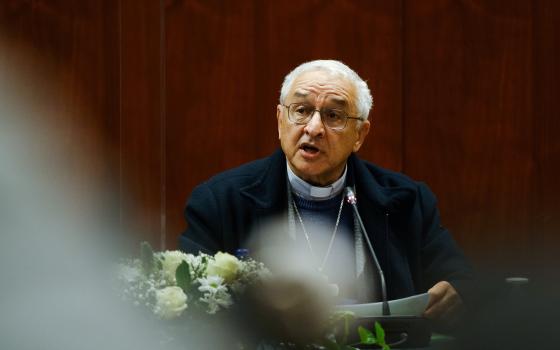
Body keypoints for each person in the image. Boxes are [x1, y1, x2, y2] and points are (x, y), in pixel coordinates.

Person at [179, 60, 472, 324]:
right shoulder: (220, 201)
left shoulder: (407, 200)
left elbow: (461, 281)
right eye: (302, 111)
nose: (314, 128)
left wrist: (456, 293)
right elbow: (190, 298)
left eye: (334, 115)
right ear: (280, 120)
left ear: (360, 135)